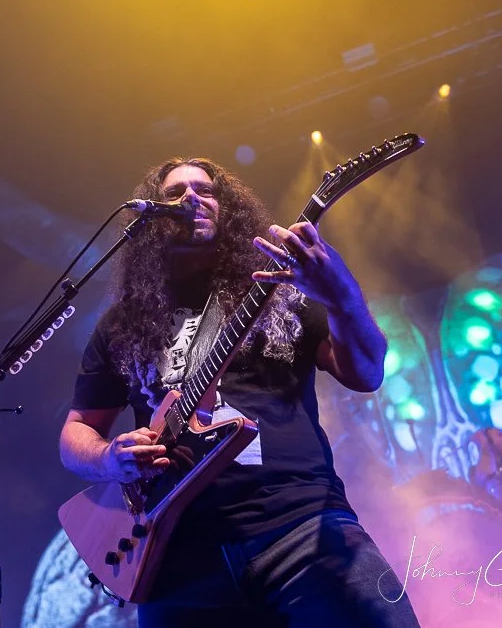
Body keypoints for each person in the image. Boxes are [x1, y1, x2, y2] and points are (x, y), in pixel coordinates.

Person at [59, 157, 419, 627]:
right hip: (176, 559)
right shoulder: (121, 324)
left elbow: (366, 372)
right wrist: (110, 458)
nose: (192, 198)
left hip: (301, 526)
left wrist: (341, 294)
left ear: (226, 208)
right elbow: (77, 433)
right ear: (152, 218)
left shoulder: (280, 288)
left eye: (205, 190)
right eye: (175, 193)